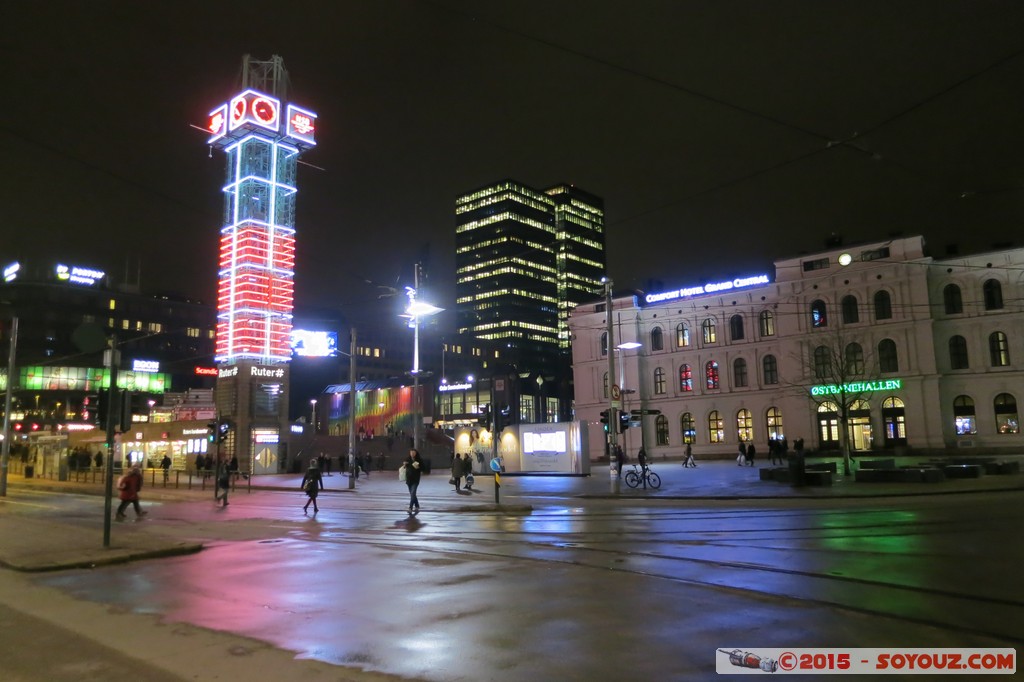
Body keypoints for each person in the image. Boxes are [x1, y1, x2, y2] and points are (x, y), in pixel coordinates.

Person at [403, 448, 423, 512]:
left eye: (413, 453)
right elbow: (404, 468)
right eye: (411, 452)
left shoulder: (419, 460)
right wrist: (404, 465)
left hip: (415, 479)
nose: (412, 454)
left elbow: (422, 468)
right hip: (409, 479)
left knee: (413, 493)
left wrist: (417, 465)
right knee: (412, 494)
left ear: (416, 453)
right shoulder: (407, 459)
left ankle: (410, 508)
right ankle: (417, 505)